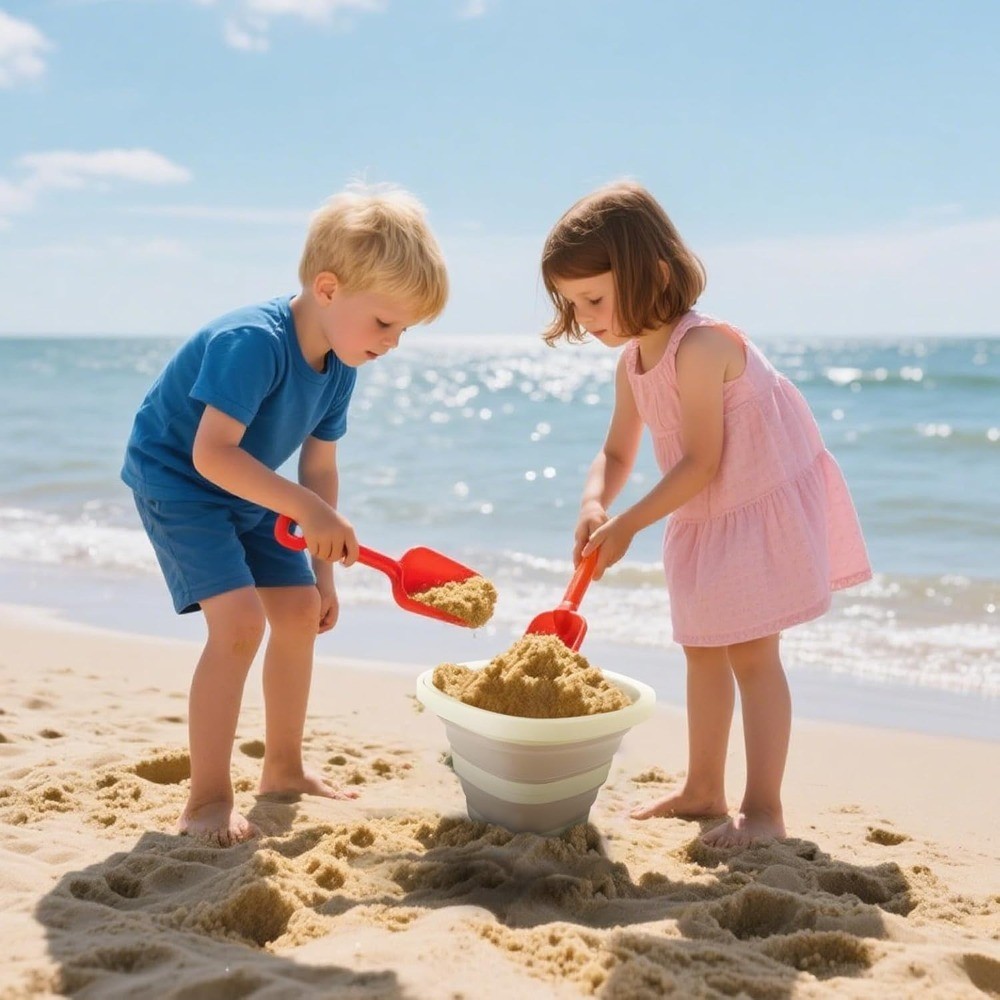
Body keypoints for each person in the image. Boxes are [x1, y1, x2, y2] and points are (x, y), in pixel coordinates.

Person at [540, 181, 871, 847]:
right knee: (701, 651)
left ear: (650, 273)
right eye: (573, 305)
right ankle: (702, 790)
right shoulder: (634, 363)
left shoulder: (703, 347)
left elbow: (702, 462)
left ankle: (765, 812)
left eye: (596, 300)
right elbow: (615, 448)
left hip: (750, 507)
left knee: (751, 654)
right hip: (700, 517)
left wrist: (629, 524)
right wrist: (594, 501)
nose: (587, 318)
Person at [122, 184, 448, 846]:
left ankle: (284, 768)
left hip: (254, 488)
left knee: (299, 613)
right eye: (384, 322)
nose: (392, 342)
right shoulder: (252, 343)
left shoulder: (341, 366)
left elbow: (319, 470)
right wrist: (303, 509)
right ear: (327, 289)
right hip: (183, 480)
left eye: (404, 330)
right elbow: (212, 455)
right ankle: (208, 797)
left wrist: (323, 571)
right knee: (240, 625)